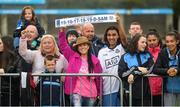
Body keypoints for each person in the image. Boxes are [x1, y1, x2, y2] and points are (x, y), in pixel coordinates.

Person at [58, 27, 102, 106]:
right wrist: (62, 32)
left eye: (85, 45)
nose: (82, 47)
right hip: (76, 92)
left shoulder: (95, 60)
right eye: (80, 45)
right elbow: (63, 46)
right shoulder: (72, 55)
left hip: (92, 94)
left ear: (88, 46)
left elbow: (99, 79)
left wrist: (99, 92)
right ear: (77, 47)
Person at [118, 34, 154, 106]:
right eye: (142, 42)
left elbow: (150, 69)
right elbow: (121, 74)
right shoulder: (125, 56)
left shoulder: (147, 54)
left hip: (145, 92)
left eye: (145, 42)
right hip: (130, 93)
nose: (145, 44)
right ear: (135, 42)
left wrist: (134, 73)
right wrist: (135, 69)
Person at [98, 26, 125, 106]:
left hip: (120, 90)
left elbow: (124, 39)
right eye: (109, 35)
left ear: (118, 36)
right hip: (106, 90)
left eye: (114, 35)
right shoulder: (102, 52)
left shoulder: (121, 48)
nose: (111, 37)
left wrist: (119, 22)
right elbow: (100, 70)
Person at [153, 31, 180, 106]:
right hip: (168, 90)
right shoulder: (163, 52)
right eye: (167, 41)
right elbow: (155, 69)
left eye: (172, 41)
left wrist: (176, 70)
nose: (169, 44)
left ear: (177, 41)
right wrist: (167, 71)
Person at [0, 36, 22, 106]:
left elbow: (17, 76)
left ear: (6, 44)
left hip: (9, 92)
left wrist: (5, 72)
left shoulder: (15, 57)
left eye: (0, 43)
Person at [146, 28, 163, 106]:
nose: (152, 42)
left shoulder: (163, 52)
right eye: (149, 40)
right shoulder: (144, 52)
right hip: (147, 89)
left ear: (158, 40)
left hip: (161, 89)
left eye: (154, 40)